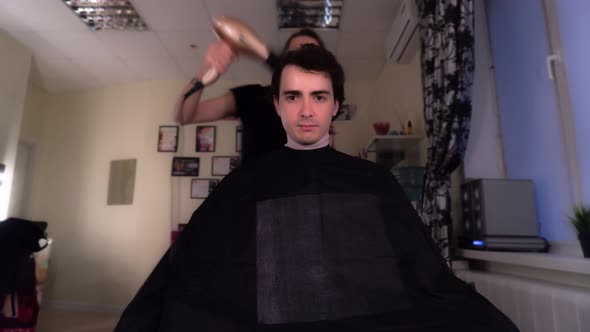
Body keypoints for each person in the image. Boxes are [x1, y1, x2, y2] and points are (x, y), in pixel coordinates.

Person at [116, 45, 518, 331]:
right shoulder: (241, 186)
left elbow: (423, 276)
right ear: (276, 105)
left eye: (318, 97)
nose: (306, 110)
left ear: (335, 105)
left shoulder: (373, 182)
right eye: (293, 97)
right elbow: (191, 276)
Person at [174, 28, 326, 163]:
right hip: (255, 193)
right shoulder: (252, 96)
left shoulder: (325, 103)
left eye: (312, 54)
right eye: (296, 53)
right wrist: (205, 73)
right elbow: (183, 115)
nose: (304, 60)